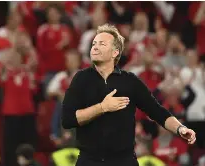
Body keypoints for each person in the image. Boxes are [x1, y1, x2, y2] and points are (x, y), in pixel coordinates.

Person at [61, 23, 196, 166]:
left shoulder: (130, 81)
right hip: (90, 160)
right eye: (94, 43)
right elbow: (68, 119)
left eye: (102, 44)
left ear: (115, 52)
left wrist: (180, 128)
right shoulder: (81, 79)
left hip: (124, 161)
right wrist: (102, 107)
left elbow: (157, 111)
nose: (95, 46)